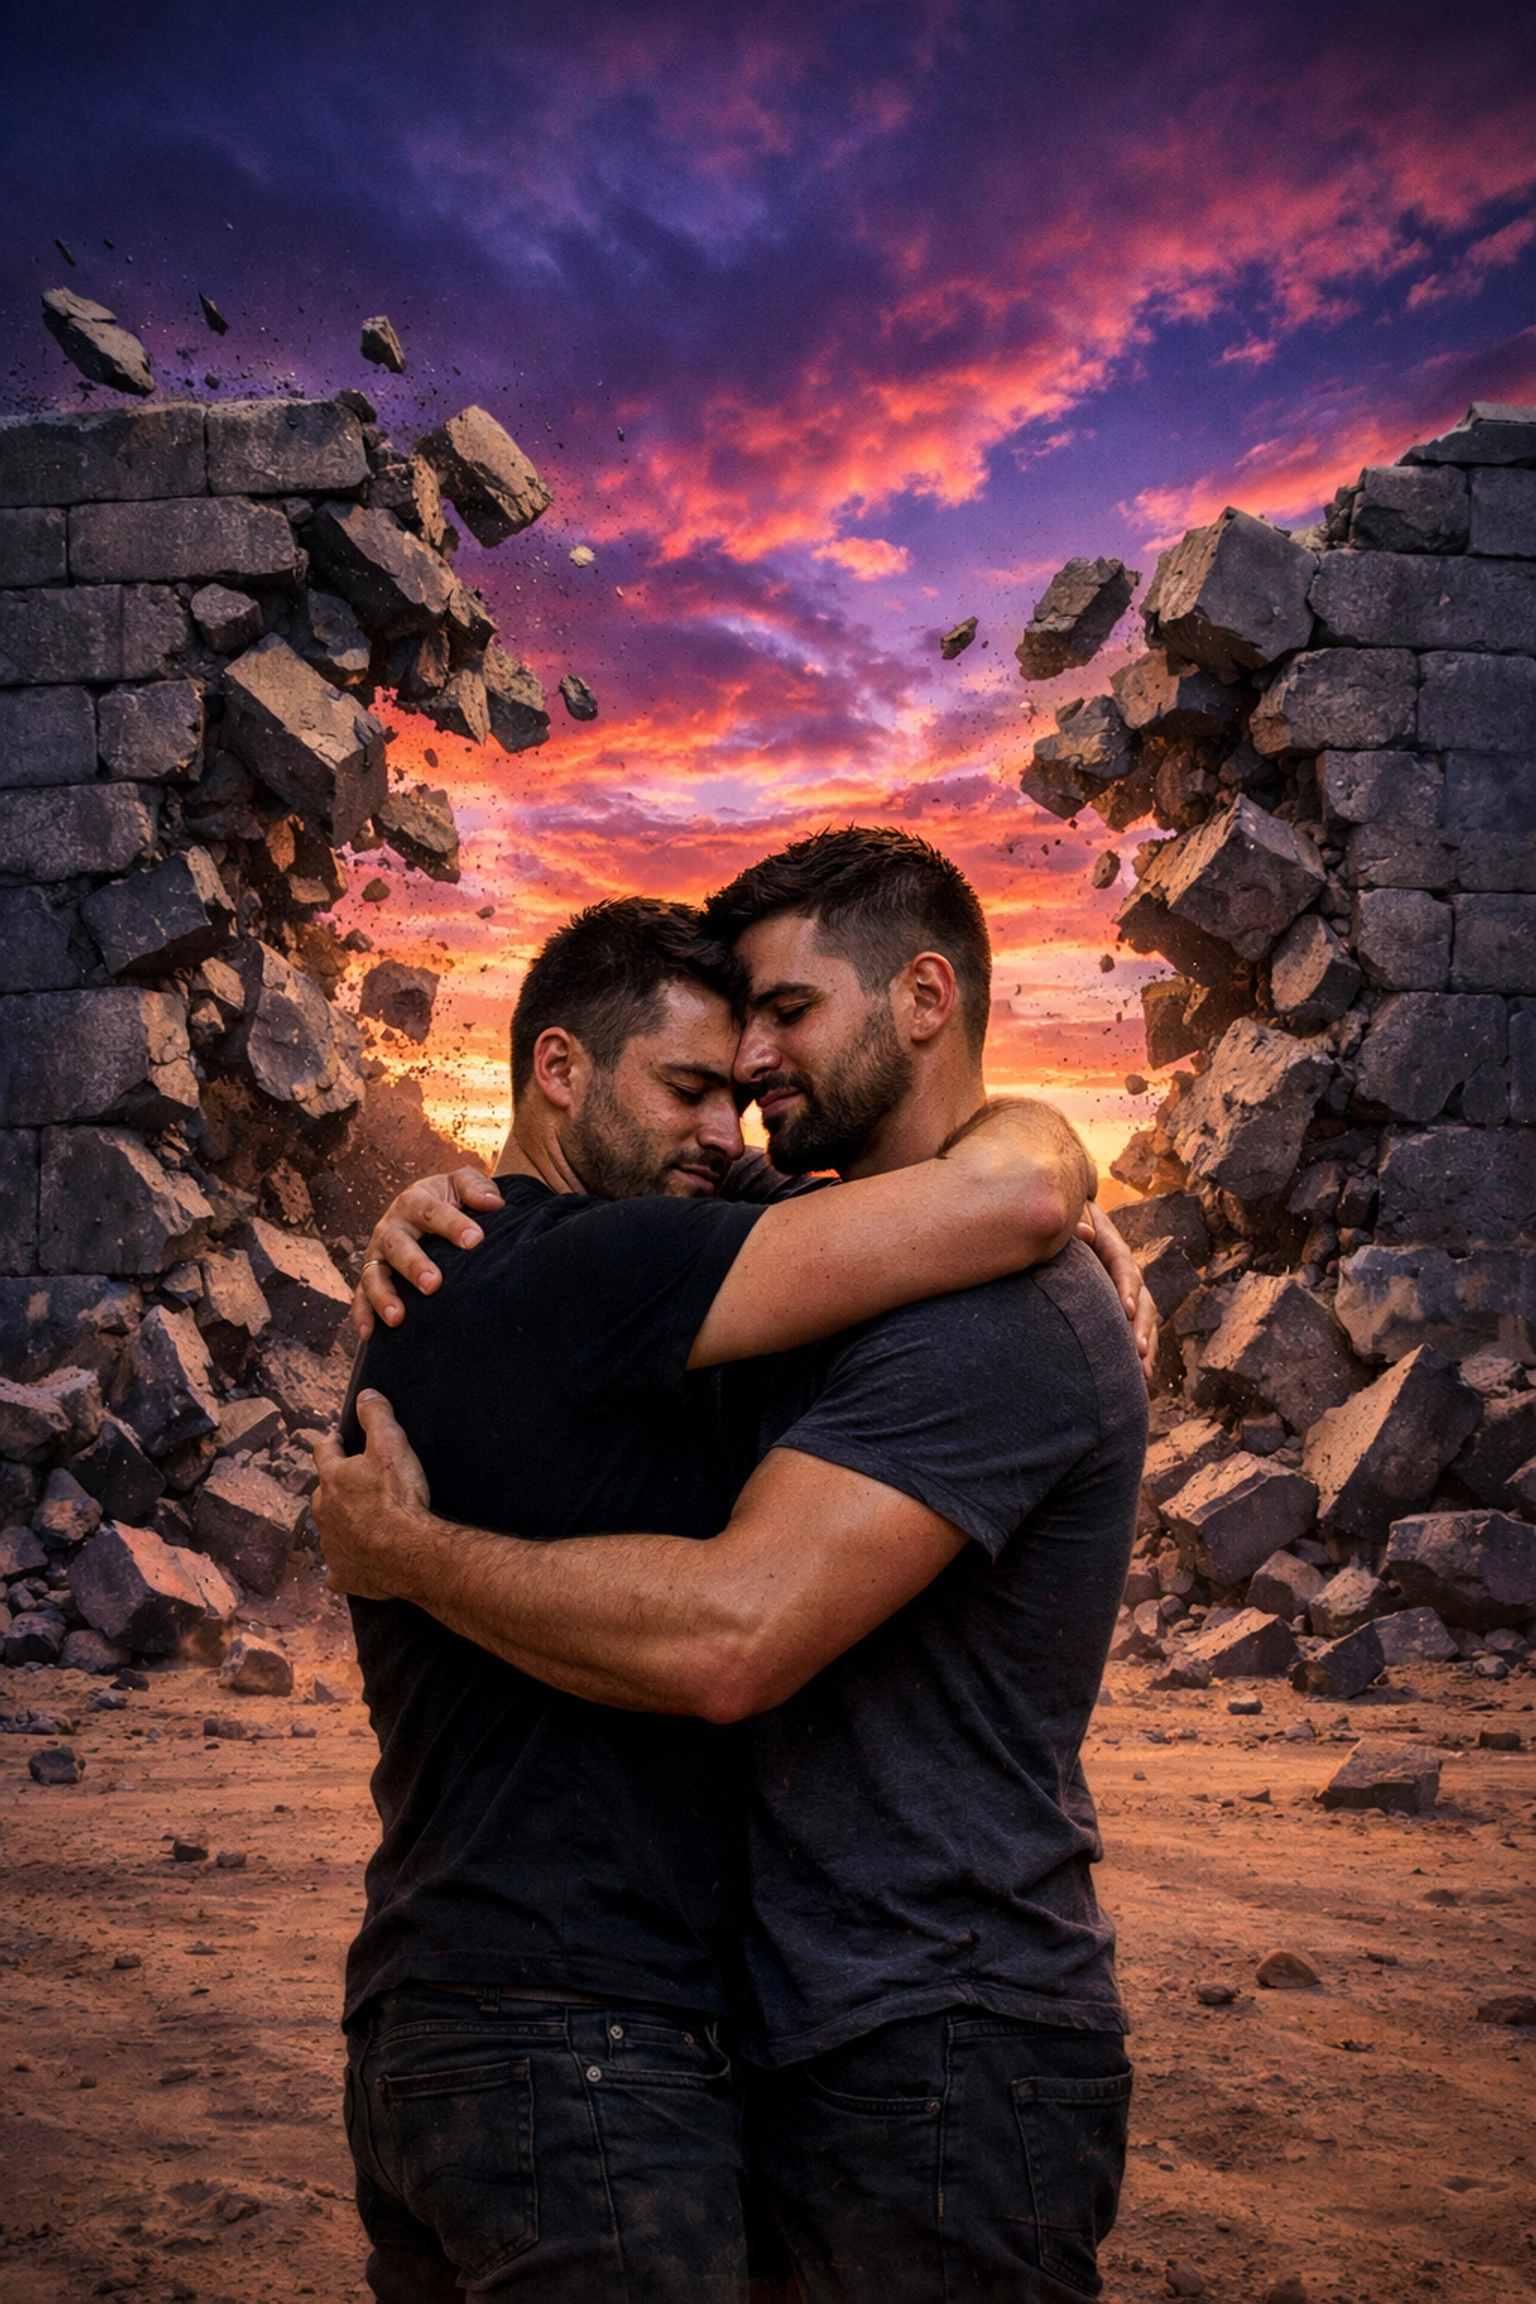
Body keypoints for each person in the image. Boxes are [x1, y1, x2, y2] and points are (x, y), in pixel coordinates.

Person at [320, 830, 1151, 2304]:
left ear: (925, 997)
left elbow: (734, 1638)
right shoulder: (686, 1257)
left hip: (939, 2040)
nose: (752, 1080)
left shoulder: (981, 1309)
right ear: (564, 1070)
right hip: (709, 2045)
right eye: (701, 1071)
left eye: (785, 1017)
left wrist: (413, 1556)